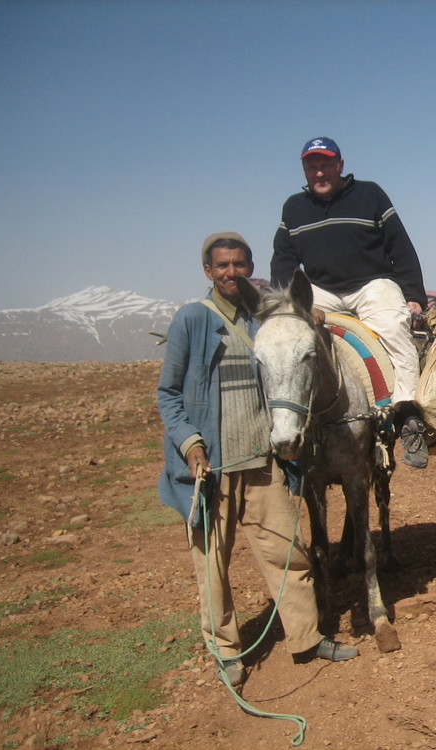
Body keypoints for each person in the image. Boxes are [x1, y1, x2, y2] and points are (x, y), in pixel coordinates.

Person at [157, 231, 358, 687]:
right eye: (222, 265)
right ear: (208, 271)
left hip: (262, 462)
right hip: (211, 470)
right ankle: (225, 651)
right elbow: (168, 393)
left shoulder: (263, 319)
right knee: (212, 565)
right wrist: (191, 442)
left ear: (251, 270)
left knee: (289, 553)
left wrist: (314, 316)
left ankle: (306, 637)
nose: (231, 272)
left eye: (240, 265)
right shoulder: (192, 319)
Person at [271, 137, 430, 469]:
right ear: (304, 169)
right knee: (290, 341)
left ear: (340, 166)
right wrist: (291, 306)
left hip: (371, 283)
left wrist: (413, 295)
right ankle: (292, 420)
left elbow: (400, 246)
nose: (319, 172)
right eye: (312, 166)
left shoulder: (369, 194)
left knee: (392, 326)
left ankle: (409, 416)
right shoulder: (293, 208)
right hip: (322, 290)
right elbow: (283, 261)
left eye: (326, 164)